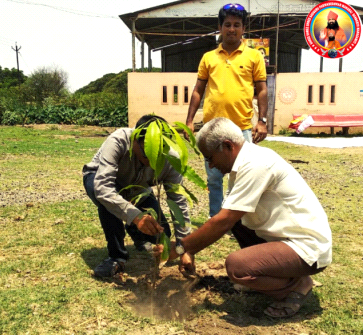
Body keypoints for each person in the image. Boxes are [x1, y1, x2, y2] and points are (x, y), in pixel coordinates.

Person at [157, 117, 332, 318]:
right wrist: (191, 249)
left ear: (227, 146)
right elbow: (226, 218)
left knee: (237, 268)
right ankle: (274, 275)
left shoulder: (257, 164)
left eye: (210, 158)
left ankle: (298, 285)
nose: (211, 166)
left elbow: (222, 222)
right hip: (286, 239)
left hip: (307, 247)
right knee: (236, 218)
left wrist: (181, 247)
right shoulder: (243, 164)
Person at [83, 114, 193, 277]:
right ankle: (117, 257)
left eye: (157, 155)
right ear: (134, 138)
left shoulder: (171, 159)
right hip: (99, 180)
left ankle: (140, 238)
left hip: (139, 190)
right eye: (146, 154)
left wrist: (184, 247)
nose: (151, 160)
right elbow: (103, 188)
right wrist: (135, 216)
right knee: (109, 203)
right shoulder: (118, 140)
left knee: (162, 234)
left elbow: (178, 201)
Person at [185, 3, 268, 218]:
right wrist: (189, 121)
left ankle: (236, 221)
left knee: (241, 177)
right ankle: (215, 218)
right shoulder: (208, 58)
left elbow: (262, 90)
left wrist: (263, 121)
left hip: (242, 129)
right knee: (213, 178)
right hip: (212, 129)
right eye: (228, 24)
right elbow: (198, 90)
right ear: (220, 27)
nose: (232, 29)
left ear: (243, 28)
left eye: (237, 25)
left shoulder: (254, 57)